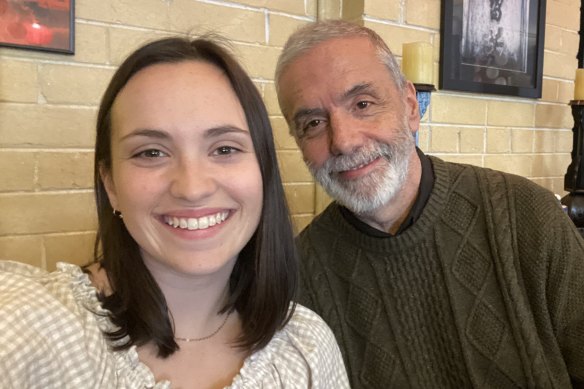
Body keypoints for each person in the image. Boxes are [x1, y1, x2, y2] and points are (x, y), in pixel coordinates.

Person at [0, 36, 349, 388]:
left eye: (225, 148)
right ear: (110, 185)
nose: (192, 187)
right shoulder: (30, 324)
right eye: (151, 153)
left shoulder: (307, 349)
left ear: (263, 172)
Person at [275, 19, 584, 388]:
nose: (343, 141)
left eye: (362, 103)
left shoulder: (527, 216)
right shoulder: (298, 280)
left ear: (409, 106)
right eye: (312, 123)